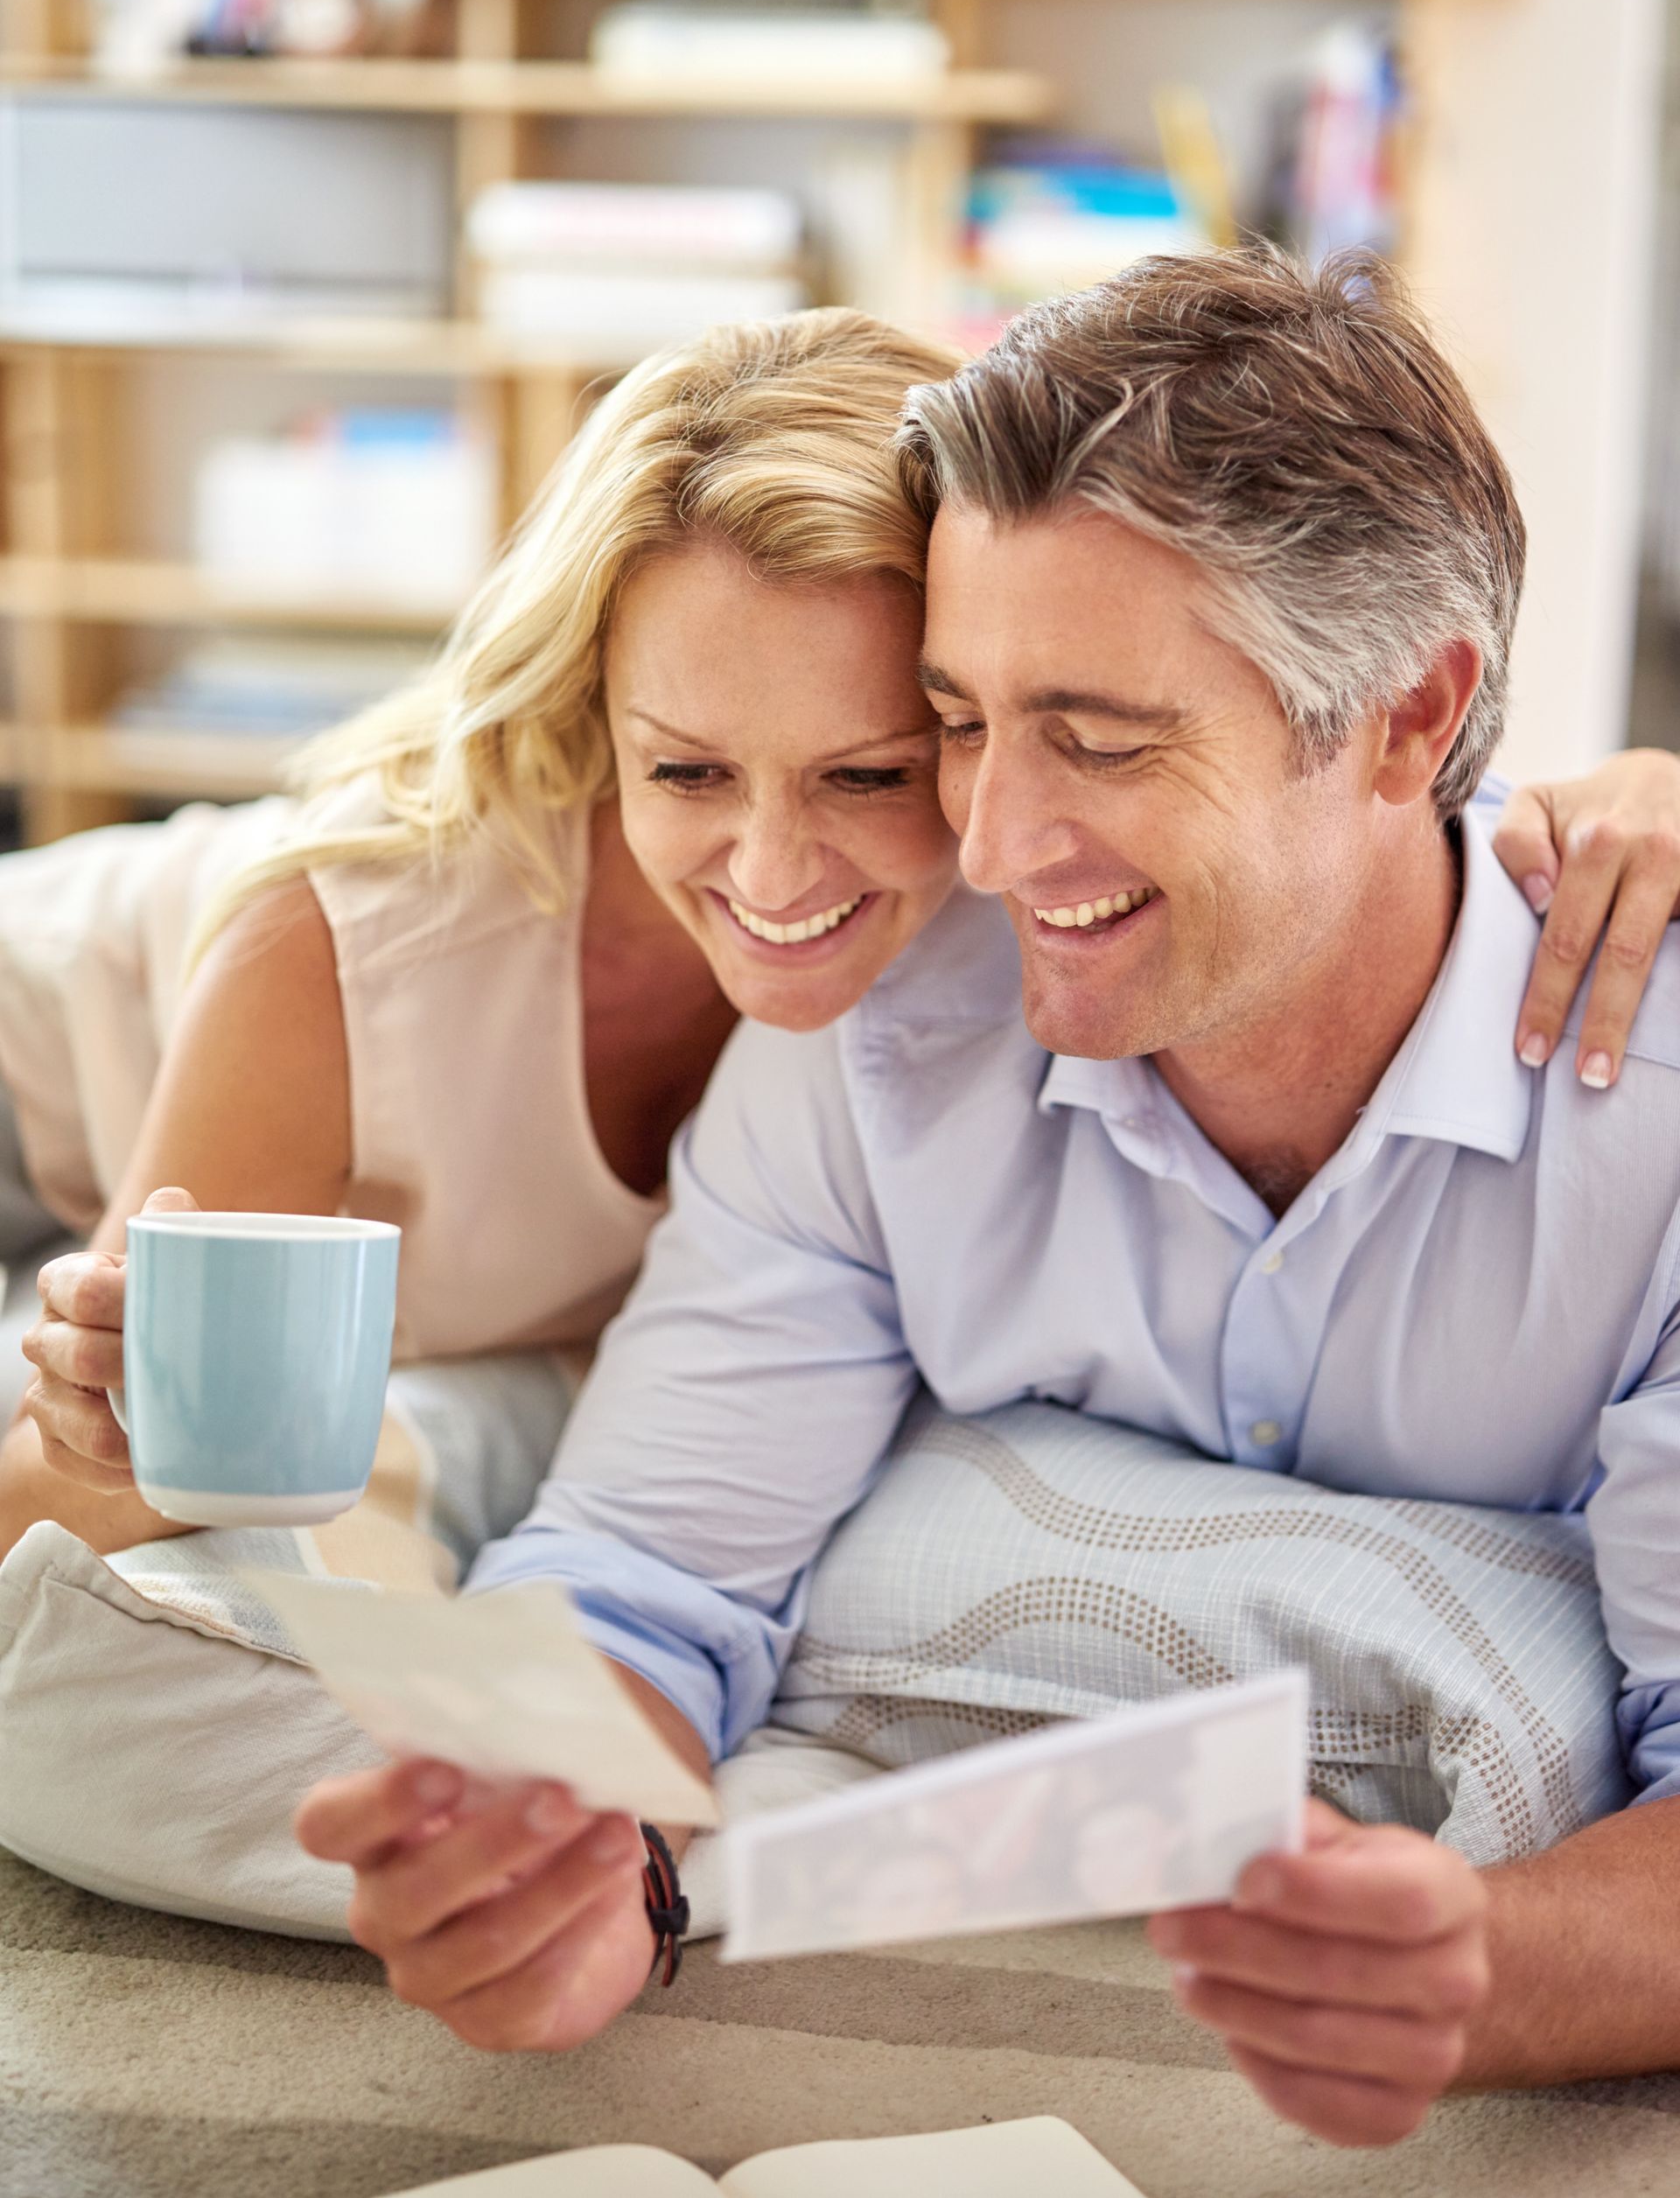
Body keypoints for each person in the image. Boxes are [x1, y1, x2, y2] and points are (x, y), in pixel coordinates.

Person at [293, 248, 1680, 2150]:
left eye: (1101, 738)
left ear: (1408, 721)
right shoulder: (875, 1039)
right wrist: (562, 1831)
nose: (989, 839)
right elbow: (652, 1567)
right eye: (956, 716)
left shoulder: (1652, 1122)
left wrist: (1484, 1961)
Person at [9, 303, 1661, 1564]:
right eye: (686, 768)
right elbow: (103, 1479)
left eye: (877, 767)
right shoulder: (343, 949)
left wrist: (1632, 792)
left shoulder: (1014, 900)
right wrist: (107, 1447)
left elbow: (1319, 772)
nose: (776, 867)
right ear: (601, 721)